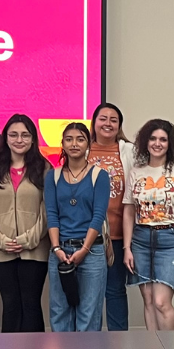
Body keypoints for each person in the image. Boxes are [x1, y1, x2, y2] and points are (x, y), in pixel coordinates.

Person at [123, 119, 174, 349]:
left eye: (163, 139)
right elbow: (128, 211)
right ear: (146, 142)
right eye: (153, 139)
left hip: (173, 238)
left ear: (170, 143)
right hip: (141, 239)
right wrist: (127, 247)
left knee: (161, 301)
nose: (157, 143)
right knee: (147, 300)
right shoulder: (136, 171)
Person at [0, 114, 50, 332]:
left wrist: (29, 239)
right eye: (14, 134)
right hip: (1, 250)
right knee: (10, 305)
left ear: (32, 139)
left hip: (34, 250)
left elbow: (48, 211)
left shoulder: (44, 168)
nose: (19, 140)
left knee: (30, 304)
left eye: (25, 135)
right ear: (6, 138)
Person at [46, 123, 110, 331]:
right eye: (69, 139)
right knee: (59, 312)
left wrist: (84, 250)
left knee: (88, 314)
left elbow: (98, 216)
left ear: (88, 144)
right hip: (60, 252)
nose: (74, 144)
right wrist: (56, 248)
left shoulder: (99, 175)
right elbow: (52, 214)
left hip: (91, 252)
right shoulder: (53, 176)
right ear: (62, 144)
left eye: (80, 139)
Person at [87, 103, 134, 331]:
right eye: (103, 118)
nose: (107, 123)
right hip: (88, 237)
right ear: (94, 122)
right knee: (89, 293)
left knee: (115, 291)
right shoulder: (82, 149)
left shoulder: (130, 152)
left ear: (119, 126)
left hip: (117, 235)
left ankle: (118, 348)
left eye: (113, 120)